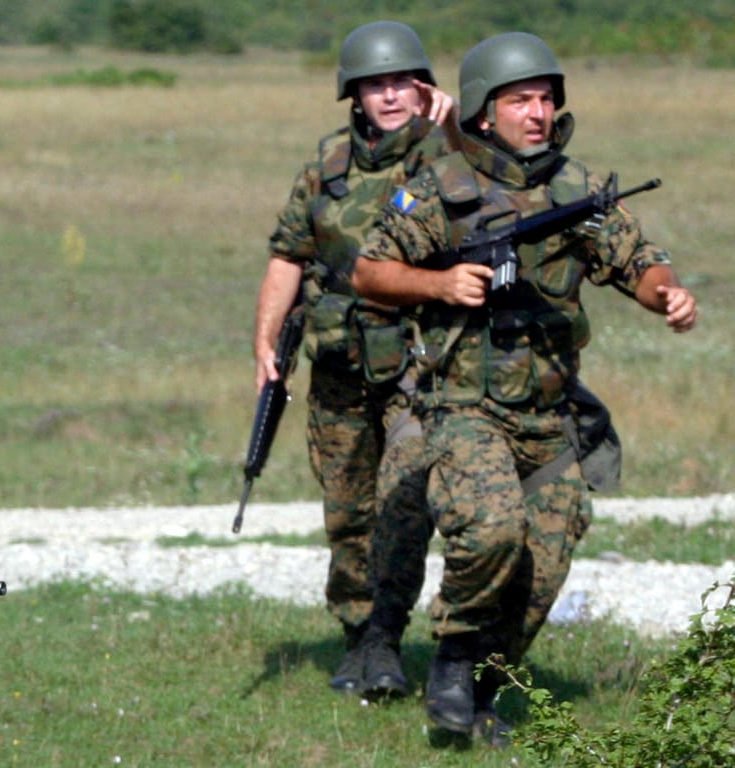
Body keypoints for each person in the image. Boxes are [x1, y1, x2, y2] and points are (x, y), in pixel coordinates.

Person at [353, 32, 698, 742]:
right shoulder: (439, 189)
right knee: (491, 529)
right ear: (483, 111)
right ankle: (450, 654)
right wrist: (440, 281)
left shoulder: (577, 190)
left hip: (550, 410)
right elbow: (370, 272)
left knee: (547, 557)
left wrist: (668, 296)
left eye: (547, 99)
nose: (539, 113)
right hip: (461, 403)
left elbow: (638, 261)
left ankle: (481, 689)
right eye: (521, 100)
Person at [254, 20, 455, 698]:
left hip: (416, 365)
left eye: (403, 82)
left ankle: (387, 638)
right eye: (377, 84)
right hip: (338, 362)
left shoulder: (443, 158)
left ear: (424, 89)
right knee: (346, 510)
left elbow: (492, 192)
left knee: (403, 503)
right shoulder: (326, 167)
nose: (392, 96)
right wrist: (265, 340)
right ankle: (355, 636)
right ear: (354, 94)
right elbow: (289, 253)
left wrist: (457, 135)